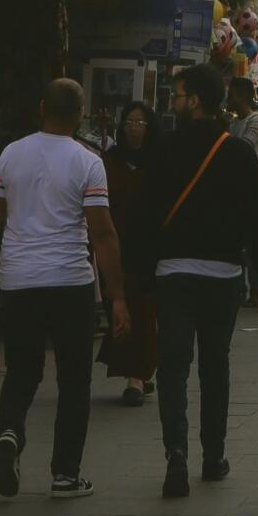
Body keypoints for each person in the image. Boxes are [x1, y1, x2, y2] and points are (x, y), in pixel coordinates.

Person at [0, 77, 127, 501]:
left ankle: (11, 433)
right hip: (71, 283)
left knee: (21, 371)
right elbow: (103, 234)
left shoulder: (11, 156)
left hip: (19, 282)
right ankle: (66, 475)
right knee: (74, 380)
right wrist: (118, 296)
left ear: (41, 108)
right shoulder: (88, 161)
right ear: (79, 115)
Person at [149, 65, 258, 497]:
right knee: (214, 366)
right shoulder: (237, 153)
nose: (173, 100)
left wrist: (136, 277)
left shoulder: (163, 149)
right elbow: (257, 216)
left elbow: (142, 217)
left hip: (172, 274)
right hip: (222, 274)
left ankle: (175, 453)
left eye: (179, 94)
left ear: (197, 101)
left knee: (172, 365)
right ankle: (213, 455)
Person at [99, 100, 161, 405]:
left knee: (145, 310)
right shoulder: (109, 161)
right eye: (129, 123)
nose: (134, 128)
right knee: (122, 306)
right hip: (116, 245)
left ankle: (139, 374)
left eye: (140, 123)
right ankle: (133, 374)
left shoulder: (159, 161)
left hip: (149, 249)